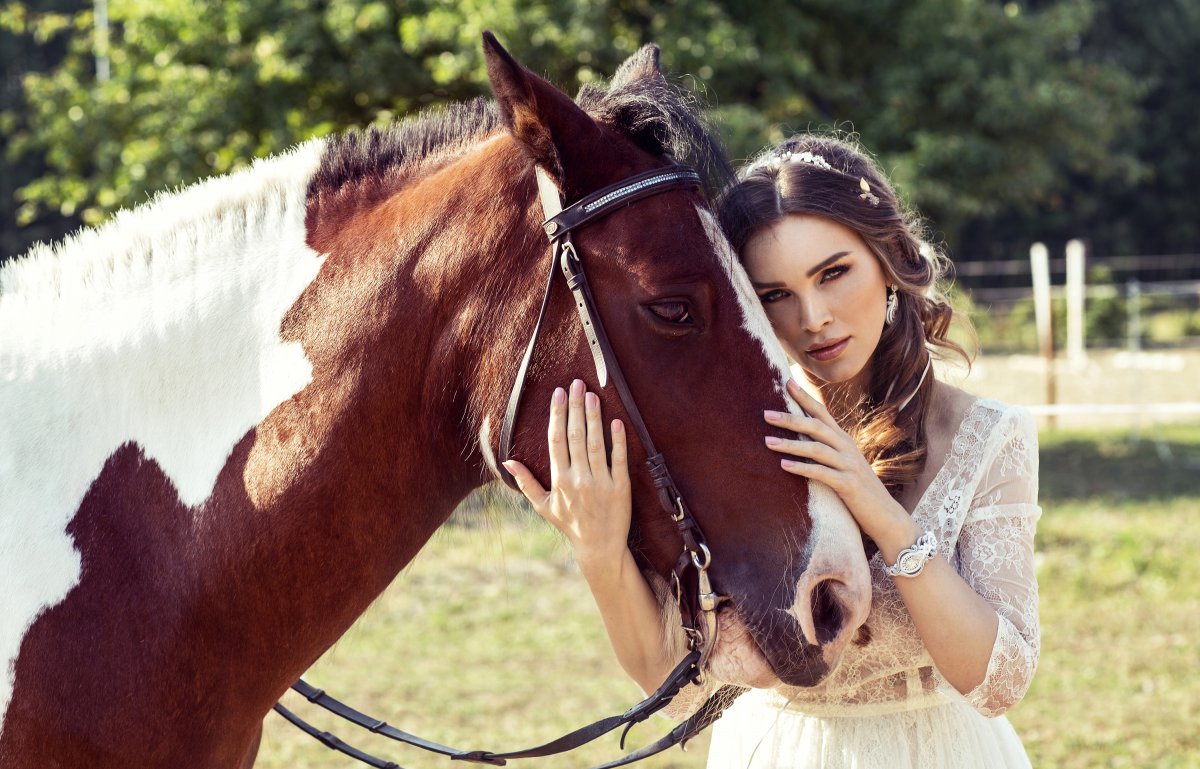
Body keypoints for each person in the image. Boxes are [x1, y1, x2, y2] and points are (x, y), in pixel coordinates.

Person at [502, 134, 1041, 769]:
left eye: (833, 273)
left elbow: (997, 683)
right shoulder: (721, 444)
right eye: (774, 295)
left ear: (888, 261)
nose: (813, 317)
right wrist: (598, 551)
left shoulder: (987, 434)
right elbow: (674, 694)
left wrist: (880, 511)